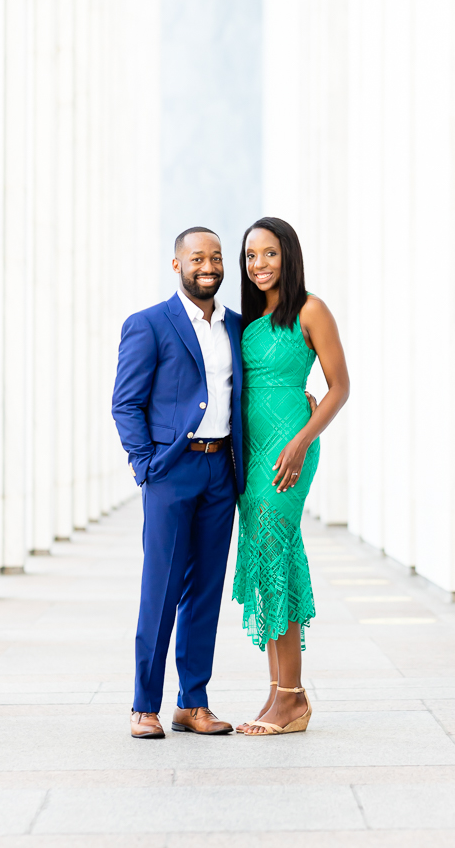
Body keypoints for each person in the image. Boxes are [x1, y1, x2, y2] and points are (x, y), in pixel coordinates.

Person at [112, 227, 244, 739]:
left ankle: (193, 702)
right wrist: (145, 463)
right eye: (197, 258)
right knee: (161, 588)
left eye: (215, 257)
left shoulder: (236, 326)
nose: (207, 265)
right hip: (172, 470)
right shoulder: (148, 324)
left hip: (220, 472)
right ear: (177, 265)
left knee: (206, 590)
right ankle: (144, 705)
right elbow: (126, 401)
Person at [233, 217, 350, 736]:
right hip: (251, 455)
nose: (259, 265)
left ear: (289, 256)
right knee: (265, 560)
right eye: (251, 255)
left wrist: (301, 441)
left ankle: (292, 697)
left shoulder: (310, 310)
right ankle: (284, 693)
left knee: (276, 553)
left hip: (289, 454)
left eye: (270, 254)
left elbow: (339, 387)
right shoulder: (244, 321)